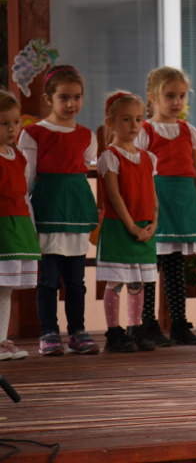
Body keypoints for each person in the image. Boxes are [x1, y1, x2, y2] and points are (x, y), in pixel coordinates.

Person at [19, 65, 100, 356]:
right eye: (64, 97)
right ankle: (49, 332)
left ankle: (77, 331)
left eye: (77, 97)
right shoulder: (33, 134)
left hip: (76, 214)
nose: (71, 104)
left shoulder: (87, 136)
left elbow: (83, 170)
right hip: (47, 212)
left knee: (76, 281)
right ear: (48, 99)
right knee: (49, 279)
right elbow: (26, 180)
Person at [136, 67, 196, 347]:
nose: (177, 102)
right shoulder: (144, 131)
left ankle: (179, 323)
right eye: (170, 96)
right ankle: (148, 324)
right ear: (152, 98)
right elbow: (139, 173)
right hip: (157, 207)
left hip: (183, 206)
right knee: (150, 267)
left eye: (181, 95)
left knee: (177, 267)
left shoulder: (189, 132)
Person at [96, 92, 159, 353]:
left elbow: (153, 196)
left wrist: (153, 223)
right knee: (116, 281)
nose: (134, 125)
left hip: (145, 226)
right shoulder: (110, 156)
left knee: (138, 282)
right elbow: (114, 195)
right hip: (119, 227)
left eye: (138, 119)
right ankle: (114, 333)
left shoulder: (148, 158)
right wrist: (132, 226)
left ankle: (135, 328)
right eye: (126, 119)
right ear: (110, 122)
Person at [0, 91, 40, 360]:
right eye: (4, 123)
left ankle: (1, 340)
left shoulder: (19, 157)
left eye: (15, 122)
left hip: (18, 225)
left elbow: (24, 194)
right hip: (2, 226)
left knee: (6, 289)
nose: (12, 128)